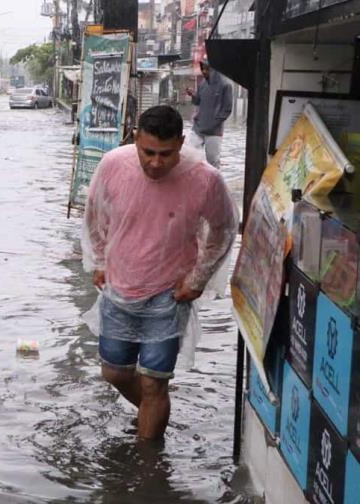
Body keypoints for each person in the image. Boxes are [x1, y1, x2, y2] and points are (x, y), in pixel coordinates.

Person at [83, 105, 236, 440]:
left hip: (169, 295)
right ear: (135, 139)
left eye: (165, 154)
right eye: (148, 152)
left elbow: (224, 229)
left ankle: (148, 458)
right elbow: (95, 215)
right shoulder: (113, 165)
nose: (155, 163)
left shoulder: (205, 179)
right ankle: (151, 415)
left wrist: (198, 279)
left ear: (181, 143)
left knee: (155, 383)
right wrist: (99, 262)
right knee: (114, 372)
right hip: (119, 286)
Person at [185, 60, 233, 169]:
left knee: (213, 161)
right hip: (198, 127)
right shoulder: (203, 84)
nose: (204, 72)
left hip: (214, 131)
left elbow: (227, 109)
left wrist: (214, 122)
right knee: (190, 156)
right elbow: (198, 101)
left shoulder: (225, 85)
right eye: (202, 69)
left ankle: (215, 179)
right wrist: (193, 95)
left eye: (207, 69)